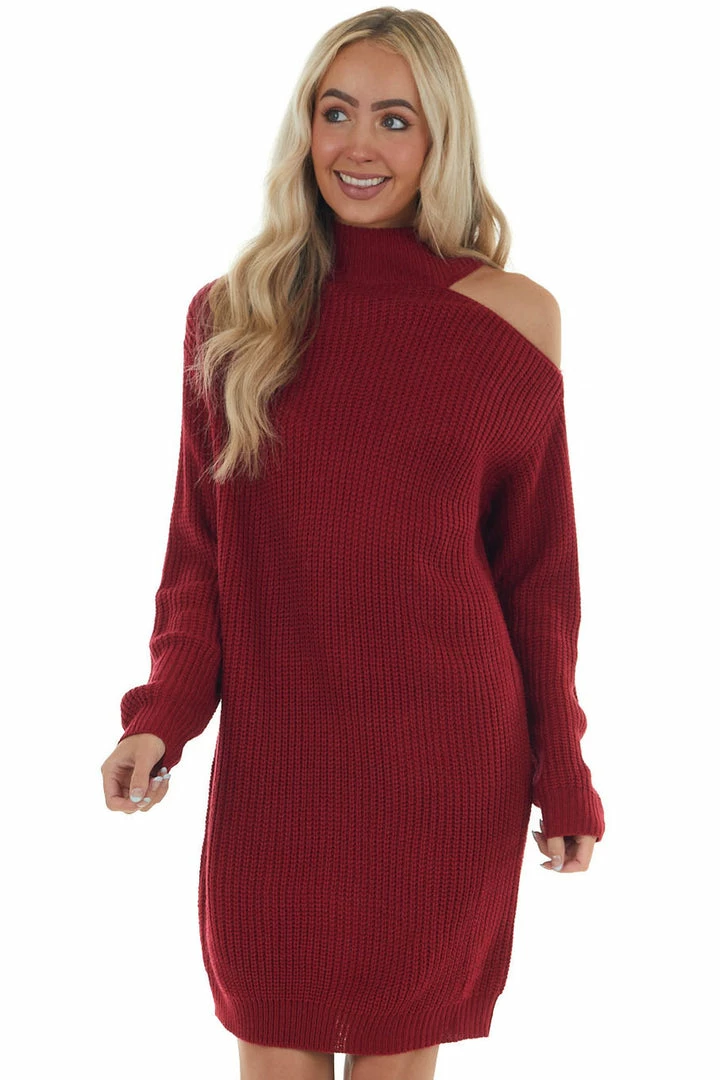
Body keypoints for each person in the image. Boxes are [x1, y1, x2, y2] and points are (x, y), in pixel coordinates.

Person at [101, 8, 606, 1079]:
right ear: (306, 129)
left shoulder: (514, 318)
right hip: (280, 762)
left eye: (394, 118)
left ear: (440, 139)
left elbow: (537, 577)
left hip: (442, 763)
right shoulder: (235, 316)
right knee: (269, 1026)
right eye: (336, 113)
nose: (358, 145)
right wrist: (161, 719)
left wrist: (563, 768)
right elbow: (202, 557)